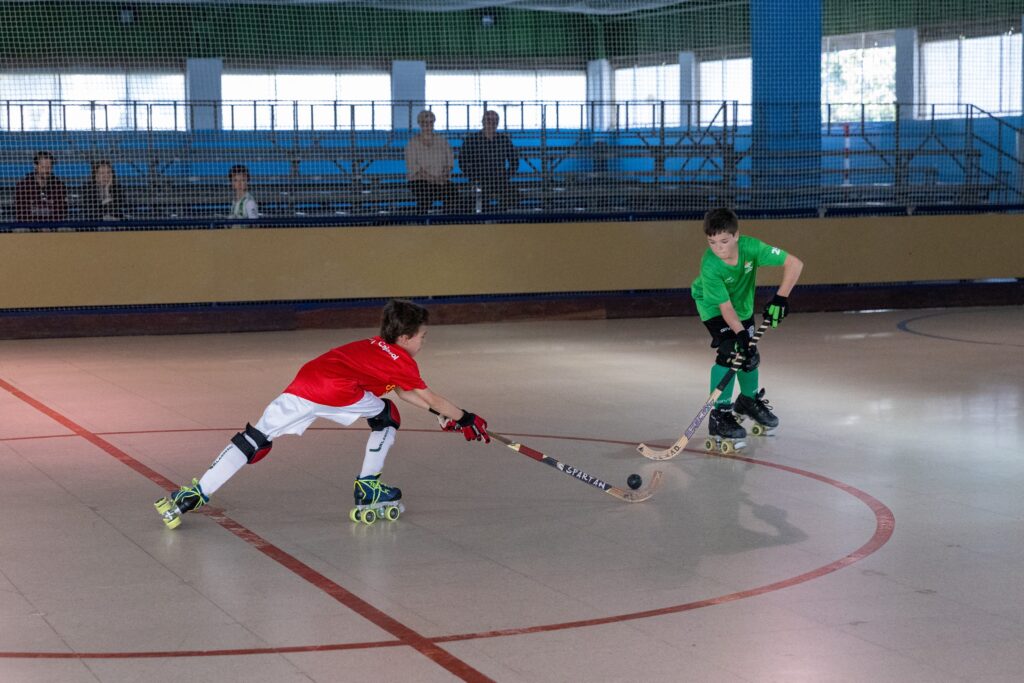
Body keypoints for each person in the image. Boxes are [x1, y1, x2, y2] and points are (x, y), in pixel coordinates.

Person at [154, 299, 491, 529]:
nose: (423, 342)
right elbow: (425, 394)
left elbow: (405, 391)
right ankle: (369, 486)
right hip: (337, 391)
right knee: (386, 416)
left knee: (255, 439)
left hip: (305, 383)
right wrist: (464, 417)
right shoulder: (402, 359)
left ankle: (192, 494)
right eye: (422, 337)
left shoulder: (373, 345)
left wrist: (439, 414)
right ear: (404, 338)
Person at [690, 207, 803, 450]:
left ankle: (748, 401)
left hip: (741, 307)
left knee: (749, 357)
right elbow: (724, 308)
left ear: (736, 236)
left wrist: (781, 299)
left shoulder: (751, 248)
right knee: (731, 352)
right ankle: (719, 415)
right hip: (713, 307)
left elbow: (794, 264)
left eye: (724, 241)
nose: (718, 248)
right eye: (712, 242)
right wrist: (740, 333)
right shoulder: (710, 265)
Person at [460, 110, 518, 212]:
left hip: (500, 180)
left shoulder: (504, 140)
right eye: (488, 120)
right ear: (482, 121)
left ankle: (501, 216)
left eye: (495, 120)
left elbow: (514, 161)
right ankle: (484, 221)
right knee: (476, 199)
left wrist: (506, 176)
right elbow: (462, 161)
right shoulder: (472, 139)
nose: (492, 123)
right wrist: (473, 177)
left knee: (515, 195)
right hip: (479, 180)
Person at [404, 110, 461, 213]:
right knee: (425, 194)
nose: (428, 125)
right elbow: (413, 167)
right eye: (424, 122)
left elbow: (450, 161)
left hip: (442, 179)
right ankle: (423, 223)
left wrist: (443, 176)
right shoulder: (412, 143)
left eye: (430, 122)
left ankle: (447, 223)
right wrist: (433, 179)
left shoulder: (442, 141)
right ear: (420, 123)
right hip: (419, 180)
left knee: (453, 192)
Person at [14, 151, 68, 222]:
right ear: (35, 166)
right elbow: (20, 212)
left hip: (53, 224)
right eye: (43, 167)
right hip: (29, 224)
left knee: (64, 228)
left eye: (49, 167)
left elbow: (61, 211)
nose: (46, 170)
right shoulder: (23, 186)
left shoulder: (59, 186)